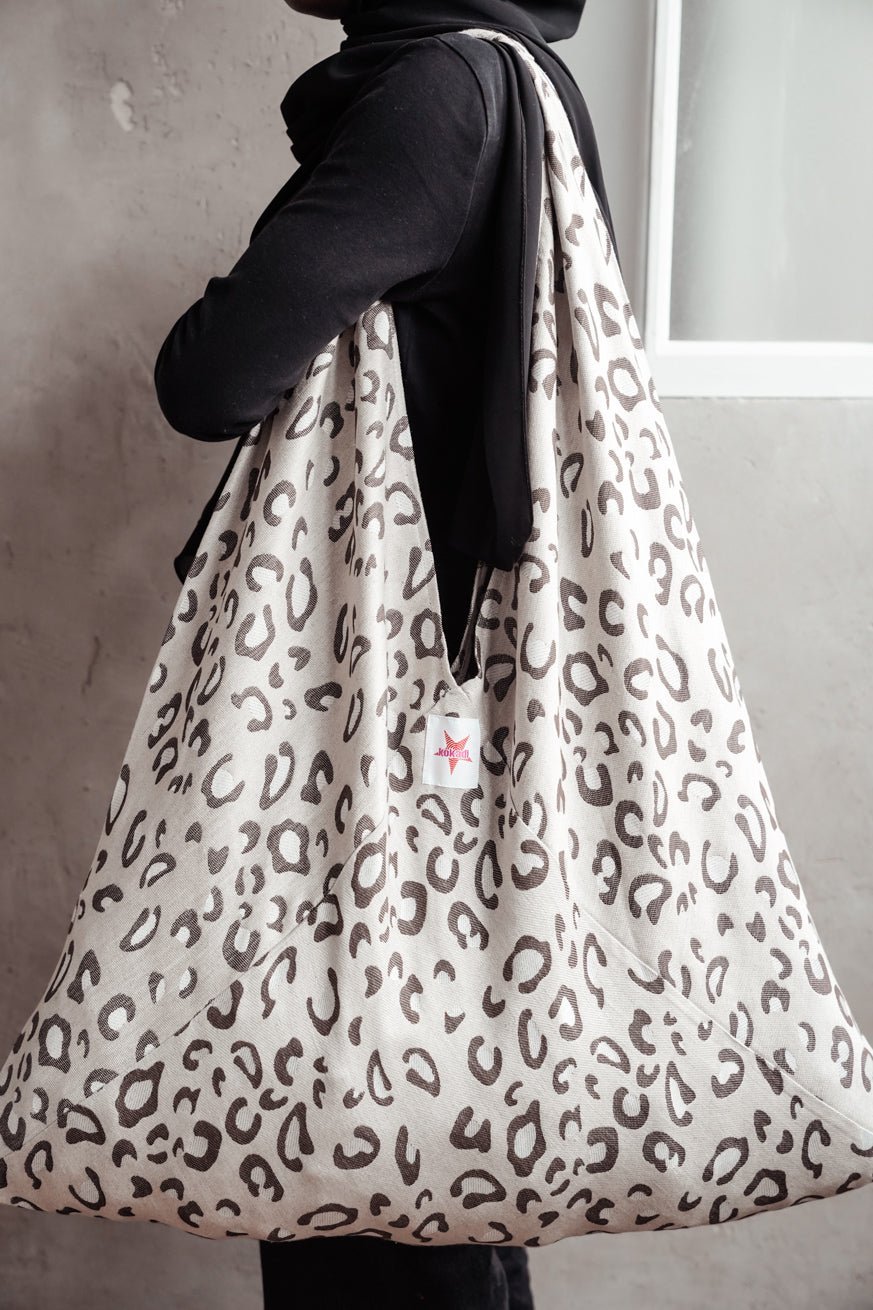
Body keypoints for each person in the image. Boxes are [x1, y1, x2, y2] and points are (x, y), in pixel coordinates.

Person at [152, 0, 619, 1303]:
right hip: (450, 706)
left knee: (367, 1147)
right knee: (425, 1123)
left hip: (388, 716)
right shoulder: (522, 87)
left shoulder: (439, 98)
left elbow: (208, 376)